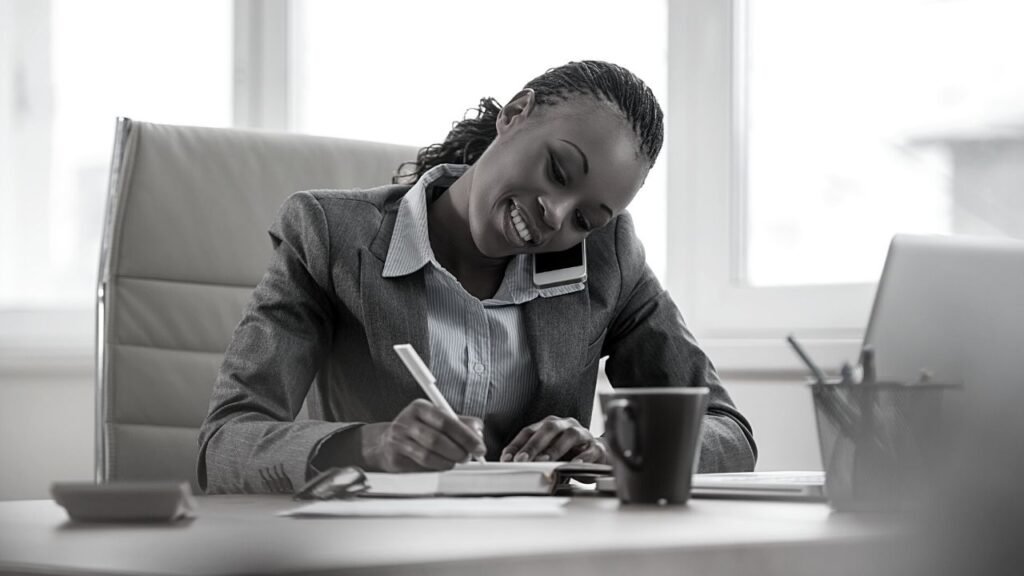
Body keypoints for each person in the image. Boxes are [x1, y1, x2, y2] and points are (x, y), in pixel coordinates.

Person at [197, 60, 756, 494]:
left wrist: (613, 451)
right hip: (373, 555)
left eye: (585, 218)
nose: (556, 217)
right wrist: (374, 446)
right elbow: (223, 445)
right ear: (515, 113)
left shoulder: (607, 258)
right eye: (558, 171)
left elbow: (727, 430)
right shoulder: (328, 236)